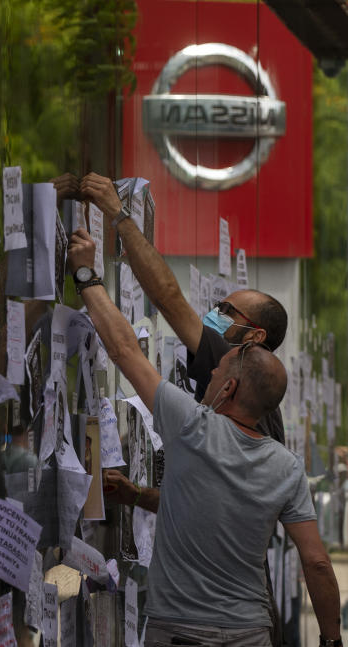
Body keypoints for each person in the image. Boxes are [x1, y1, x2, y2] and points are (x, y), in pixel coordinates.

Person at [66, 227, 341, 647]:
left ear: (229, 389)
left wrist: (86, 275)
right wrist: (332, 639)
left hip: (179, 632)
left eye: (218, 370)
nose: (209, 372)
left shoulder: (190, 425)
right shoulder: (286, 467)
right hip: (251, 631)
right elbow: (318, 563)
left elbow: (124, 350)